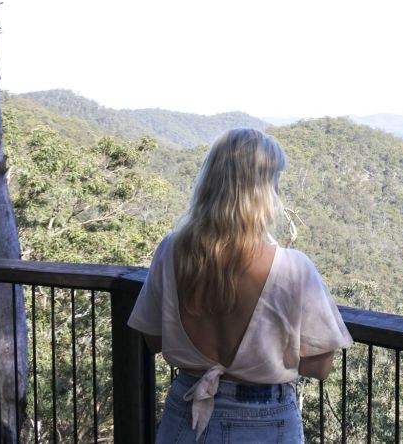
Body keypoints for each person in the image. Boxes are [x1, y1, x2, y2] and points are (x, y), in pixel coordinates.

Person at [128, 128, 353, 443]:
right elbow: (320, 366)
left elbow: (153, 339)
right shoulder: (293, 267)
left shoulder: (171, 251)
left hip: (186, 414)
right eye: (275, 179)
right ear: (263, 191)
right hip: (265, 421)